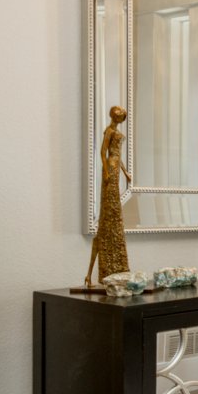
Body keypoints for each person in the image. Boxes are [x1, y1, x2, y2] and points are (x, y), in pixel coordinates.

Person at [84, 105, 132, 286]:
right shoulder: (109, 131)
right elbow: (104, 153)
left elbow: (117, 155)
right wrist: (105, 172)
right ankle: (99, 270)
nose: (121, 120)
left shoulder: (115, 132)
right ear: (116, 117)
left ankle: (111, 268)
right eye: (120, 117)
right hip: (110, 170)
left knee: (114, 211)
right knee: (110, 209)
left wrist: (125, 173)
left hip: (115, 169)